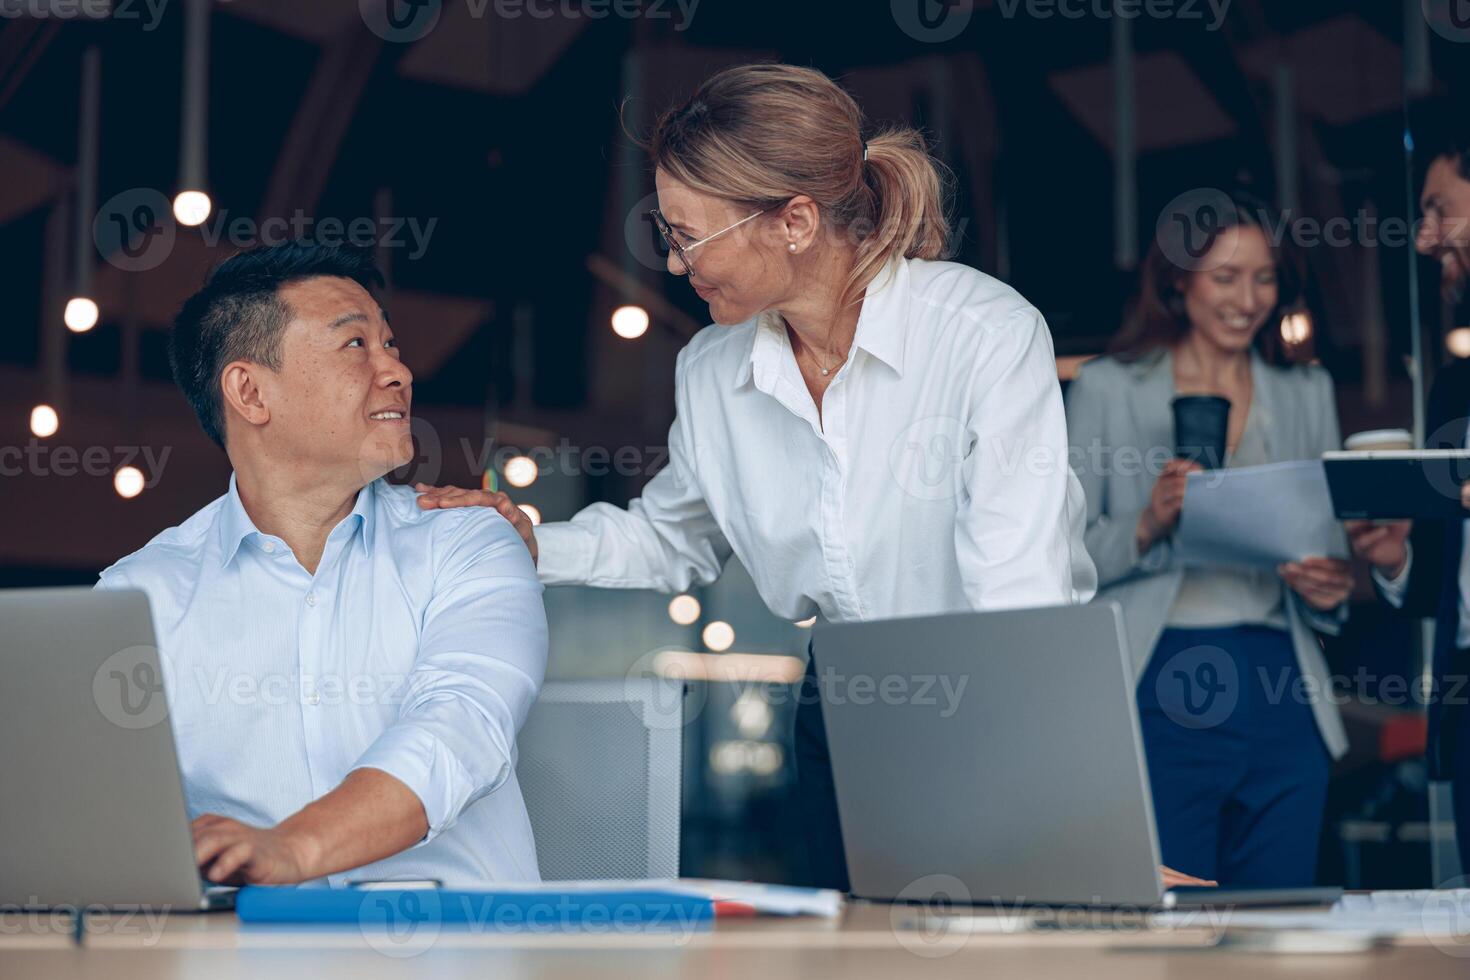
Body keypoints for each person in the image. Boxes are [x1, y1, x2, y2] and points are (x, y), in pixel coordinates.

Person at [415, 63, 1105, 892]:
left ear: (796, 221)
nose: (674, 266)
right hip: (840, 699)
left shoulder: (982, 334)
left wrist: (1068, 818)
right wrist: (529, 542)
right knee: (860, 945)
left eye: (688, 235)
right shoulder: (711, 370)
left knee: (1012, 937)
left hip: (993, 688)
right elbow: (671, 538)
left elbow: (1017, 591)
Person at [96, 242, 547, 887]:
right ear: (250, 391)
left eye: (391, 345)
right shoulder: (137, 595)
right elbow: (111, 823)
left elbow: (461, 728)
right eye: (356, 345)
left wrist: (294, 850)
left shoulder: (471, 542)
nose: (398, 371)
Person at [1065, 189, 1354, 887]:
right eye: (1225, 277)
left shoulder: (1305, 390)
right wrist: (1148, 522)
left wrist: (1329, 584)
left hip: (1281, 679)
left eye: (1264, 278)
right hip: (1159, 678)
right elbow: (1058, 558)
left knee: (1277, 912)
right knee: (1173, 918)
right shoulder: (1109, 387)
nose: (1247, 299)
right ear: (1178, 281)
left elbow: (1332, 552)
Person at [1346, 129, 1470, 876]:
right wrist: (1396, 560)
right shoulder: (1456, 379)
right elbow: (1445, 582)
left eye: (1439, 209)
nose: (1424, 239)